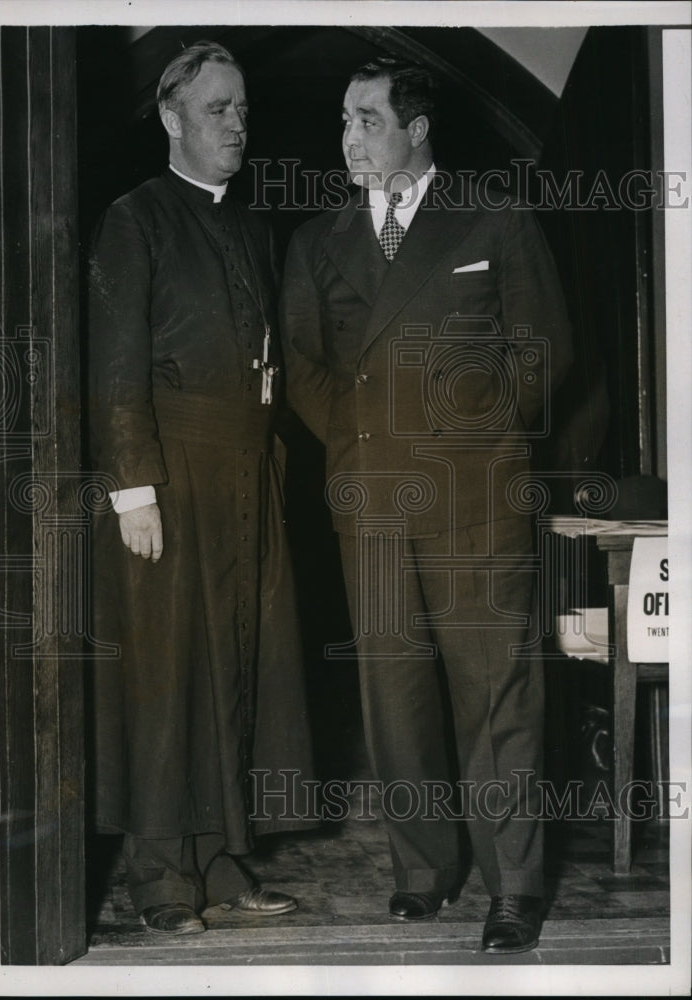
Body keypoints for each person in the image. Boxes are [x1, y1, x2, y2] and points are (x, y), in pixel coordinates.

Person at [280, 57, 573, 954]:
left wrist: (470, 442)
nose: (347, 139)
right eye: (341, 121)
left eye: (365, 120)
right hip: (369, 498)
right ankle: (422, 870)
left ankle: (512, 886)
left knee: (498, 698)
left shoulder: (492, 214)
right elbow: (303, 366)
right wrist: (365, 439)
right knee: (393, 696)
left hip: (475, 494)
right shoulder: (318, 237)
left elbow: (544, 352)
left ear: (415, 128)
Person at [88, 40, 314, 936]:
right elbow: (113, 367)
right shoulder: (132, 220)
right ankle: (158, 877)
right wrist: (132, 488)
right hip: (170, 479)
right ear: (172, 120)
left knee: (241, 667)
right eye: (218, 109)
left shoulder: (253, 228)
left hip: (248, 480)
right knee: (166, 677)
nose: (237, 124)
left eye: (243, 109)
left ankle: (220, 862)